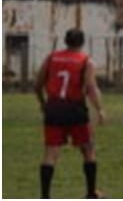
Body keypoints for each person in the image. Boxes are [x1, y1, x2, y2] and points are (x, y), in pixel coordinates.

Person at [36, 28, 106, 199]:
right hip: (75, 109)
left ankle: (45, 196)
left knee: (50, 153)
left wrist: (43, 103)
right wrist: (100, 109)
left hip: (54, 108)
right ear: (82, 42)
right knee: (88, 150)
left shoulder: (51, 58)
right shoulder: (86, 61)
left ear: (65, 41)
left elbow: (37, 84)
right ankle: (91, 193)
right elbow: (91, 88)